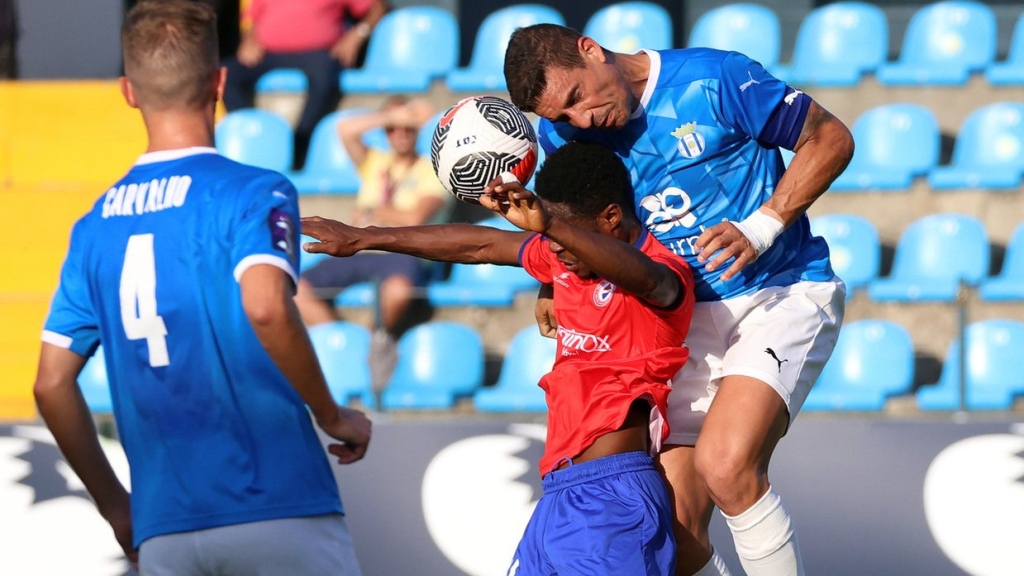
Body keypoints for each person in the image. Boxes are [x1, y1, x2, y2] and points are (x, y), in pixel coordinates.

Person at [501, 23, 854, 576]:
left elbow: (831, 138)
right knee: (676, 532)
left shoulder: (714, 78)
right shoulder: (565, 138)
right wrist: (550, 282)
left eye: (576, 99)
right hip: (681, 321)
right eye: (561, 117)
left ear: (591, 50)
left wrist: (761, 227)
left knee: (727, 464)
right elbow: (570, 219)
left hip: (779, 291)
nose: (579, 121)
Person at [33, 2, 370, 574]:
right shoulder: (252, 190)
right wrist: (332, 415)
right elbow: (266, 306)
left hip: (165, 527)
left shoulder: (93, 227)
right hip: (278, 507)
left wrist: (117, 508)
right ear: (218, 83)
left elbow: (50, 383)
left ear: (128, 92)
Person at [303, 140, 696, 576]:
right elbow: (479, 245)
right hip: (557, 496)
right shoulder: (566, 259)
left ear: (610, 217)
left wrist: (553, 227)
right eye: (553, 239)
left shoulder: (664, 273)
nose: (558, 250)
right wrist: (366, 237)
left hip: (613, 500)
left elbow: (648, 278)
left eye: (567, 236)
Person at [294, 96, 451, 340]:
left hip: (402, 253)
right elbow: (344, 129)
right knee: (297, 288)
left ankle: (367, 343)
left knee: (398, 291)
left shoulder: (431, 168)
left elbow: (416, 218)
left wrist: (372, 212)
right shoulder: (376, 161)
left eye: (407, 128)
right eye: (392, 128)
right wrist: (393, 116)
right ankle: (340, 341)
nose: (400, 133)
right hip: (361, 248)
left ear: (416, 130)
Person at [223, 0, 389, 167]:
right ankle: (255, 135)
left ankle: (300, 146)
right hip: (268, 54)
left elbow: (377, 8)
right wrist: (250, 39)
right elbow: (255, 18)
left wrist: (356, 35)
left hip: (319, 54)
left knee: (324, 78)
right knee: (227, 74)